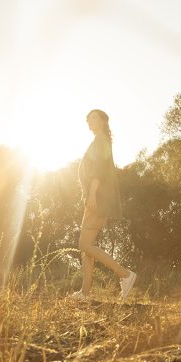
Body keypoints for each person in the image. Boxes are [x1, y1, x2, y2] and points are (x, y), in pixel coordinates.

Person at [71, 109, 137, 300]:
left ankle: (125, 274)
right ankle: (85, 292)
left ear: (103, 121)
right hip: (94, 197)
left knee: (84, 244)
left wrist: (92, 195)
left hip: (98, 197)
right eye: (88, 118)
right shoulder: (98, 141)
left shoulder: (101, 141)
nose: (89, 120)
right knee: (87, 247)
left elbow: (98, 170)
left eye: (93, 117)